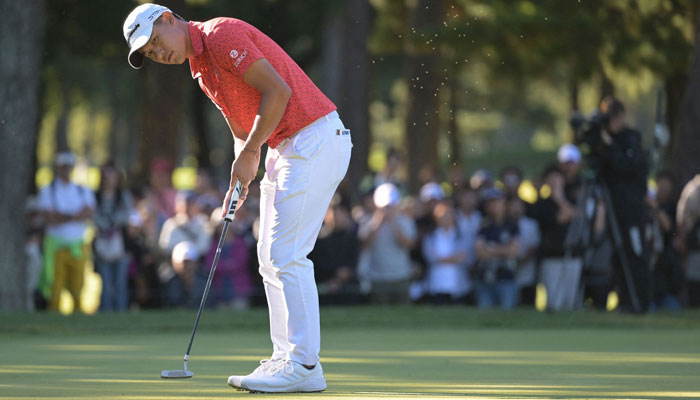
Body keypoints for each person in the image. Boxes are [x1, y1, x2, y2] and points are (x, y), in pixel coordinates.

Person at [123, 3, 351, 392]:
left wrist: (250, 155)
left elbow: (277, 91)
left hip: (312, 137)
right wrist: (239, 174)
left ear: (168, 18)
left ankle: (304, 363)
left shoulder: (219, 34)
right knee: (268, 257)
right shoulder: (201, 71)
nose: (160, 54)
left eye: (157, 42)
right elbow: (242, 131)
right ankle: (285, 358)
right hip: (286, 147)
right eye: (151, 53)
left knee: (286, 254)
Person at [597, 97, 650, 313]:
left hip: (632, 210)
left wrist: (609, 146)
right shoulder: (604, 141)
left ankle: (639, 303)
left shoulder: (630, 139)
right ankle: (623, 300)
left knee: (634, 254)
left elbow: (628, 167)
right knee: (618, 256)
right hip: (614, 209)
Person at [37, 152, 96, 312]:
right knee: (55, 288)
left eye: (69, 166)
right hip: (56, 247)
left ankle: (77, 321)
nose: (66, 170)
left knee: (78, 288)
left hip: (77, 246)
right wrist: (74, 216)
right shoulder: (49, 190)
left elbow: (89, 213)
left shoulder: (81, 190)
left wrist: (63, 216)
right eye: (63, 167)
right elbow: (49, 217)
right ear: (58, 168)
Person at [527, 165, 582, 311]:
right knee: (554, 301)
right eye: (551, 178)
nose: (554, 181)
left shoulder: (572, 199)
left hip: (573, 256)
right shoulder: (542, 204)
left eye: (557, 177)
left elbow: (575, 215)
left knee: (571, 300)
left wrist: (560, 198)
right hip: (551, 257)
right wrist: (559, 200)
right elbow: (562, 218)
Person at [358, 183, 417, 304]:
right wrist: (378, 221)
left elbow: (408, 245)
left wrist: (393, 223)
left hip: (401, 277)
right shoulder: (367, 221)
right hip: (378, 279)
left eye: (391, 205)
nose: (387, 209)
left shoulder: (406, 221)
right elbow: (365, 244)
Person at [94, 162, 133, 312]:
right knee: (106, 282)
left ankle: (121, 313)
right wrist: (106, 223)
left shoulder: (123, 196)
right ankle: (106, 313)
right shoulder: (96, 196)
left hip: (120, 245)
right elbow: (94, 216)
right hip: (102, 246)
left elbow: (126, 215)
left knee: (120, 283)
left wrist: (113, 221)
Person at [474, 188, 520, 309]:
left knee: (507, 315)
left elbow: (513, 251)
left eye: (497, 202)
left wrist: (492, 249)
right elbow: (480, 253)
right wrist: (504, 250)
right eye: (491, 203)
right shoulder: (483, 225)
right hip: (485, 278)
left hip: (507, 277)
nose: (494, 206)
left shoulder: (511, 224)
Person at [422, 200, 468, 304]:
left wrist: (441, 259)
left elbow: (464, 257)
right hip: (436, 286)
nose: (446, 217)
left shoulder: (460, 236)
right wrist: (453, 258)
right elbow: (430, 258)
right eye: (443, 214)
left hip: (457, 287)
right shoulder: (431, 237)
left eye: (449, 214)